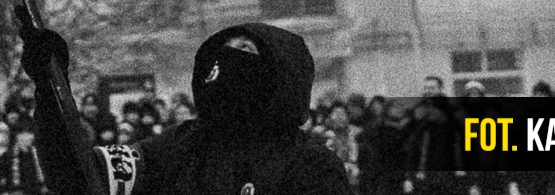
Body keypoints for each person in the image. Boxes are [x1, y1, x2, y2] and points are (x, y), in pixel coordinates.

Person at [23, 20, 352, 195]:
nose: (228, 58)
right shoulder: (179, 146)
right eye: (223, 50)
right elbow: (80, 175)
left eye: (244, 50)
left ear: (278, 74)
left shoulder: (311, 164)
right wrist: (51, 89)